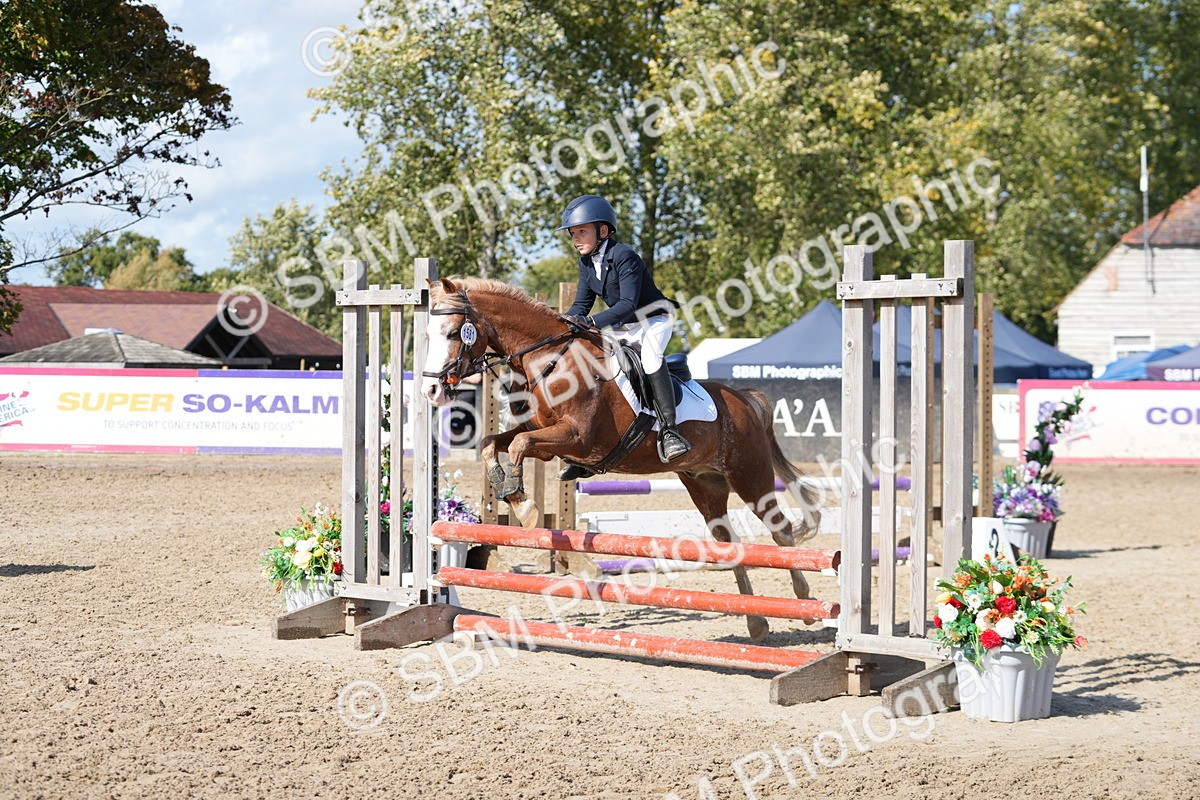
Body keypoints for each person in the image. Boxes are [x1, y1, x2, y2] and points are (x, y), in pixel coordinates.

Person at [556, 194, 691, 480]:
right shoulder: (585, 263)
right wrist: (561, 324)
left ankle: (670, 431)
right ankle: (588, 445)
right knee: (595, 363)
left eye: (582, 231)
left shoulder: (624, 256)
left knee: (651, 359)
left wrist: (590, 322)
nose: (576, 238)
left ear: (603, 231)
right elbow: (581, 305)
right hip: (622, 325)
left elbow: (628, 304)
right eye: (573, 233)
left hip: (652, 319)